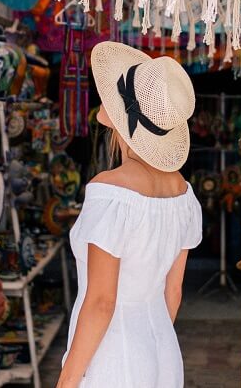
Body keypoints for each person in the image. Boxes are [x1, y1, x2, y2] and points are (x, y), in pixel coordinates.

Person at [57, 42, 202, 387]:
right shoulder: (183, 192)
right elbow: (174, 291)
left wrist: (66, 382)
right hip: (163, 348)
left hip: (112, 354)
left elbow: (101, 302)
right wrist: (149, 345)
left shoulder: (111, 192)